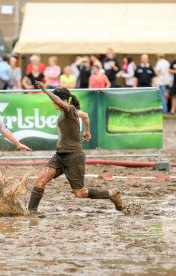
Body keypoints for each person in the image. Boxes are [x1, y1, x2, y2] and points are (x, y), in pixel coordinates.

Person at [28, 81, 123, 213]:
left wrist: (46, 90)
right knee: (40, 181)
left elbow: (65, 106)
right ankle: (31, 212)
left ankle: (112, 194)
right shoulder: (68, 112)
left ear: (62, 100)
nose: (52, 102)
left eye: (54, 100)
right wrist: (87, 131)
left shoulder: (69, 109)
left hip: (73, 157)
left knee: (80, 193)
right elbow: (85, 115)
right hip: (60, 155)